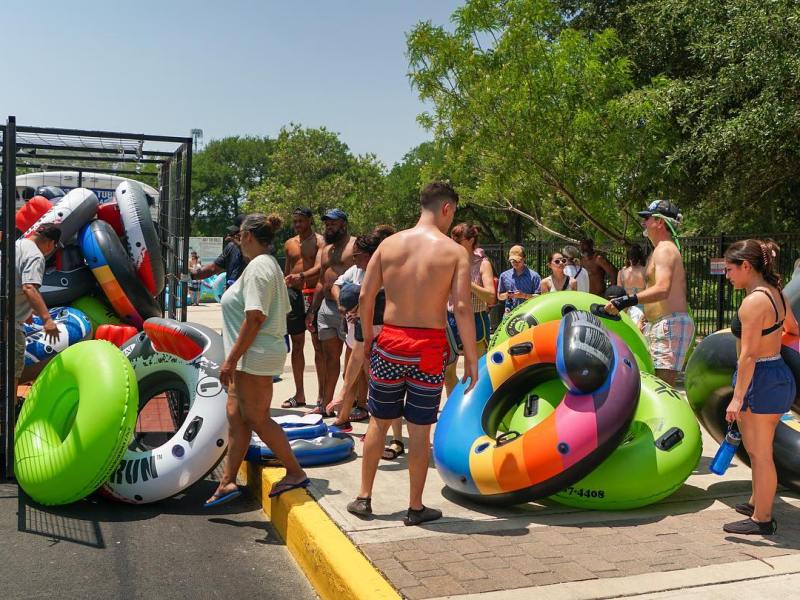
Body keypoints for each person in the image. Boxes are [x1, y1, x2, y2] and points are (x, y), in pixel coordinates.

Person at [347, 182, 478, 526]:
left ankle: (363, 498)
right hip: (428, 349)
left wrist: (369, 338)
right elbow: (462, 308)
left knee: (379, 421)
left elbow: (364, 297)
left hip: (389, 341)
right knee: (420, 430)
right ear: (447, 209)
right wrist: (471, 360)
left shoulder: (389, 245)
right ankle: (415, 507)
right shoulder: (453, 253)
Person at [205, 213, 308, 507]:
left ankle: (295, 471)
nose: (236, 239)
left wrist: (230, 360)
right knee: (236, 417)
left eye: (239, 235)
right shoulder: (264, 266)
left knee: (258, 419)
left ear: (247, 236)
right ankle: (226, 483)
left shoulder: (260, 267)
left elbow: (255, 317)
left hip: (254, 356)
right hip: (248, 356)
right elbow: (280, 308)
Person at [721, 239, 798, 535]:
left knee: (760, 453)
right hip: (775, 373)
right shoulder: (776, 294)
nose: (727, 275)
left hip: (760, 379)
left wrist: (736, 398)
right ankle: (757, 502)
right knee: (757, 450)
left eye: (730, 269)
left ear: (746, 266)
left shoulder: (753, 301)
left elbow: (749, 355)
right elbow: (792, 329)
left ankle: (762, 520)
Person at [604, 200, 694, 386]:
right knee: (651, 382)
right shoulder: (660, 250)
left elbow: (662, 289)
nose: (643, 223)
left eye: (647, 218)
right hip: (660, 323)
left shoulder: (665, 250)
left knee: (661, 387)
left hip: (669, 323)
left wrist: (625, 301)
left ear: (660, 222)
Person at [305, 209, 356, 416]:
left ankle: (352, 404)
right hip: (326, 306)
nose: (329, 227)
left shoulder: (355, 245)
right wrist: (312, 310)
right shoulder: (325, 249)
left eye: (333, 223)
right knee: (329, 357)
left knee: (354, 361)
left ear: (343, 224)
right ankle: (325, 404)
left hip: (350, 308)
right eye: (326, 223)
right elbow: (320, 281)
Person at [444, 223, 495, 397]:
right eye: (452, 237)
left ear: (471, 240)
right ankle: (455, 406)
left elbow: (490, 297)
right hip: (451, 319)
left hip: (475, 318)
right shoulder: (448, 261)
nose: (453, 241)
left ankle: (474, 406)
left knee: (475, 371)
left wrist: (469, 283)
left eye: (458, 238)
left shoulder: (482, 263)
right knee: (448, 371)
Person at [282, 207, 325, 409]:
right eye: (295, 221)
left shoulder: (320, 241)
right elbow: (287, 272)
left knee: (318, 346)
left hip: (313, 294)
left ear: (309, 220)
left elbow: (322, 268)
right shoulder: (289, 243)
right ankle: (299, 395)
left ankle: (322, 396)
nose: (298, 225)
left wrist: (303, 277)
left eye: (301, 221)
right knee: (297, 345)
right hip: (294, 296)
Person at [14, 224, 62, 392]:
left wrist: (28, 309)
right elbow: (29, 287)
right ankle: (9, 413)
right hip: (9, 323)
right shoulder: (36, 256)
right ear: (50, 243)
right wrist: (47, 319)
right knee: (11, 371)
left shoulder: (17, 244)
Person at [190, 215, 247, 289]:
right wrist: (190, 275)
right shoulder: (231, 246)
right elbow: (213, 268)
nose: (232, 234)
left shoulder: (257, 249)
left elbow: (250, 259)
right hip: (232, 294)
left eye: (236, 232)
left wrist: (240, 246)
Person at [496, 245, 541, 314]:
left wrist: (524, 295)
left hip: (529, 313)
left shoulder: (534, 276)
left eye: (518, 260)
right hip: (510, 313)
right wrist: (507, 294)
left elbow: (539, 297)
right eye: (512, 260)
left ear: (524, 258)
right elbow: (499, 296)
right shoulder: (504, 276)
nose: (515, 262)